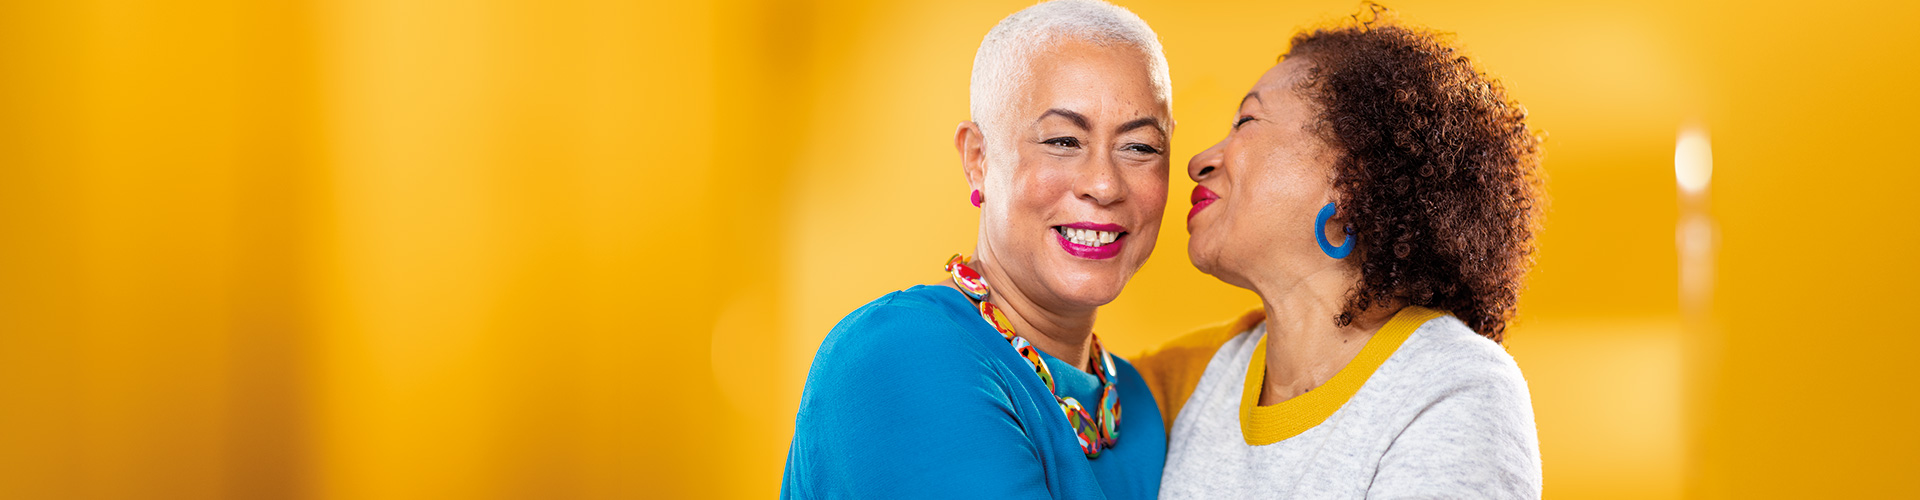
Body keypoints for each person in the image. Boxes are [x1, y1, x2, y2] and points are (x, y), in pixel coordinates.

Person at [1136, 9, 1547, 499]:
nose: (1198, 161)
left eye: (1246, 121)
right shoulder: (1188, 378)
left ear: (1352, 178)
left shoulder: (1454, 388)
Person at [781, 1, 1174, 498]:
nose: (1103, 184)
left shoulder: (1138, 403)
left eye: (1140, 147)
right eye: (1062, 141)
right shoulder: (903, 354)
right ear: (978, 159)